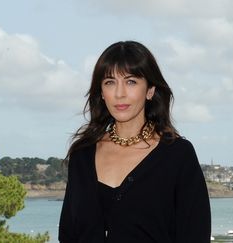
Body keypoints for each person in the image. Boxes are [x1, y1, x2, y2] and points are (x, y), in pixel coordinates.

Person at [58, 41, 211, 243]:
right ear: (101, 93)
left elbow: (195, 235)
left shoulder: (178, 155)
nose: (120, 93)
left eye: (131, 82)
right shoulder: (82, 154)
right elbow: (69, 234)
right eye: (110, 82)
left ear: (149, 90)